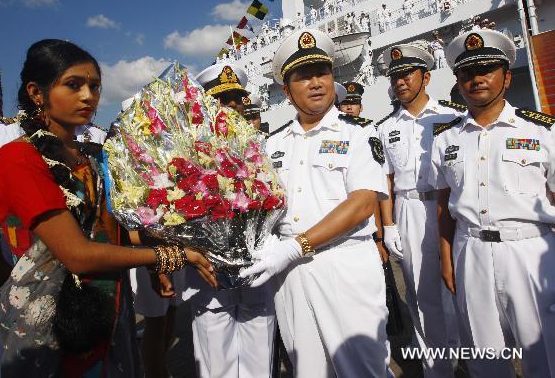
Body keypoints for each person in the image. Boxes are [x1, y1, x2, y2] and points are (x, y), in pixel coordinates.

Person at [0, 39, 216, 377]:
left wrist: (163, 246)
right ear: (37, 92)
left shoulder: (90, 158)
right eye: (74, 84)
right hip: (47, 317)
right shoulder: (18, 158)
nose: (88, 96)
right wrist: (172, 257)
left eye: (94, 86)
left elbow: (112, 233)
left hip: (108, 307)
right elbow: (78, 253)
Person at [241, 28, 392, 377]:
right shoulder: (272, 145)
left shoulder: (358, 132)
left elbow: (362, 203)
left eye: (321, 72)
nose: (315, 82)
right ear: (286, 90)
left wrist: (295, 246)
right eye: (303, 76)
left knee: (362, 368)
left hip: (344, 265)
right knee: (307, 369)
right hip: (289, 274)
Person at [430, 29, 555, 377]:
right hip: (470, 253)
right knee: (484, 358)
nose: (477, 80)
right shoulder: (446, 138)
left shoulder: (542, 131)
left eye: (486, 70)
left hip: (530, 251)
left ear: (507, 77)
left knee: (544, 353)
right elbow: (444, 204)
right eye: (467, 73)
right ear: (457, 80)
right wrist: (446, 259)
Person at [377, 43, 465, 378]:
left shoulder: (452, 117)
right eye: (394, 76)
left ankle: (466, 358)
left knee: (459, 288)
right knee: (420, 294)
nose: (400, 82)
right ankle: (436, 368)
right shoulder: (385, 128)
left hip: (449, 209)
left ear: (426, 77)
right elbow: (385, 181)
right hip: (409, 210)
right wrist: (388, 226)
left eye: (407, 74)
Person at [191, 63, 277, 378]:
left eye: (236, 99)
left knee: (259, 345)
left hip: (255, 262)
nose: (231, 106)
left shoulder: (264, 147)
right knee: (216, 356)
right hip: (209, 267)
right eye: (221, 99)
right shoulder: (188, 151)